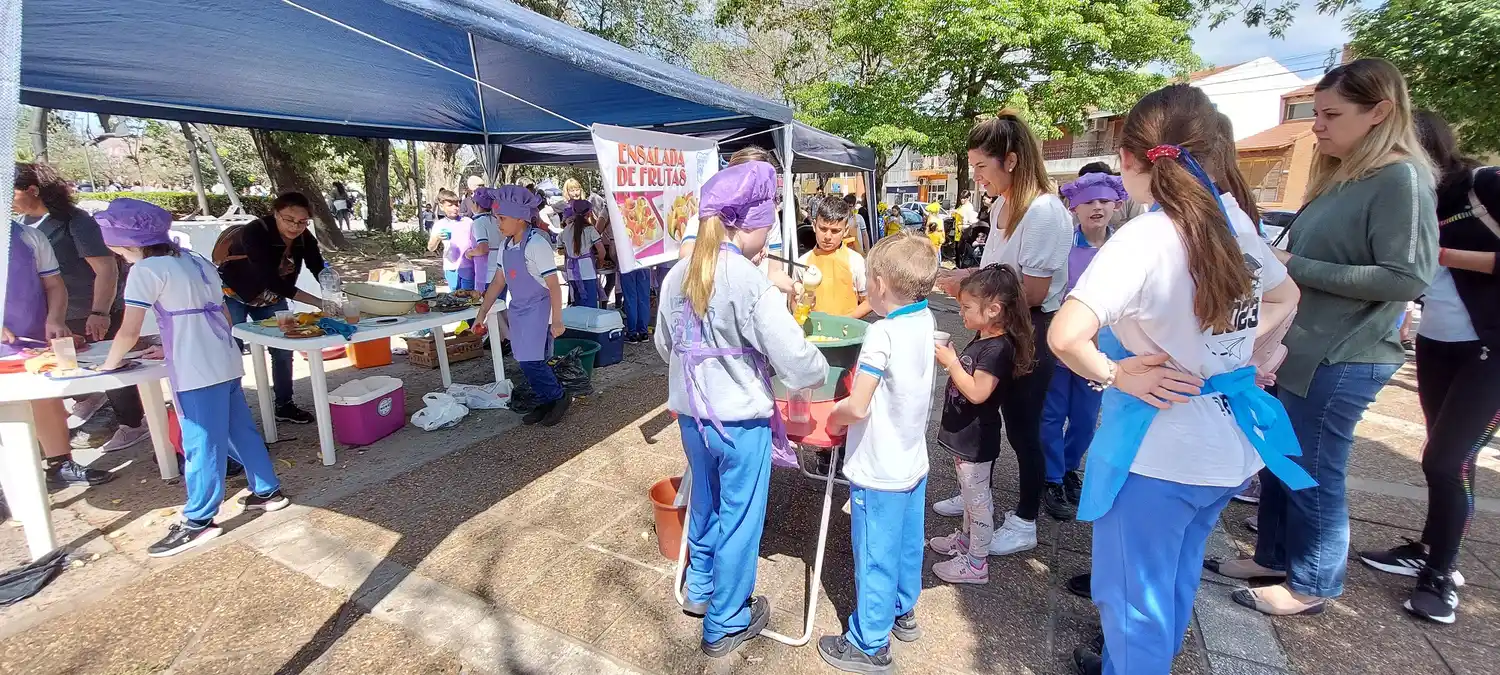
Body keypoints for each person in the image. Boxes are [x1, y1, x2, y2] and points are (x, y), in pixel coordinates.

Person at [1048, 83, 1306, 675]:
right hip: (1229, 445)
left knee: (1133, 598)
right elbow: (1286, 294)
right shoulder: (1234, 221)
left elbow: (1066, 335)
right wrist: (1235, 352)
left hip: (1159, 453)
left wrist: (1116, 373)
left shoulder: (1145, 237)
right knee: (1174, 582)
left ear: (1132, 161)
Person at [1211, 58, 1438, 617]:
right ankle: (1274, 556)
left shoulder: (1400, 178)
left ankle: (1314, 582)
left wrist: (1296, 264)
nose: (1316, 125)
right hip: (1302, 348)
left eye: (1332, 114)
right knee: (1282, 458)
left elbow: (1408, 276)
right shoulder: (1348, 175)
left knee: (1313, 467)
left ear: (1380, 112)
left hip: (1341, 354)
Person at [656, 160, 828, 658]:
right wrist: (817, 372)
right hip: (740, 424)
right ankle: (726, 621)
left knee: (706, 501)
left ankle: (700, 588)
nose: (771, 232)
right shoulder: (752, 283)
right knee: (740, 517)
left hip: (691, 417)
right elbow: (796, 361)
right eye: (770, 222)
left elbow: (667, 347)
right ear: (746, 225)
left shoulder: (676, 276)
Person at [1354, 110, 1498, 624]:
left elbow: (1438, 260)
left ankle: (1441, 573)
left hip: (1490, 348)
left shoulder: (1481, 185)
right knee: (1447, 458)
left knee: (1446, 459)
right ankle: (1431, 545)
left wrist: (1445, 256)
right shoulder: (1411, 196)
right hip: (1437, 342)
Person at [95, 199, 289, 557]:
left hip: (195, 367)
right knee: (239, 430)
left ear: (125, 242)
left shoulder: (146, 271)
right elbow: (215, 314)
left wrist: (108, 365)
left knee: (201, 442)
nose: (117, 254)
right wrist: (171, 346)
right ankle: (268, 491)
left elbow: (128, 331)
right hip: (223, 356)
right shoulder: (194, 259)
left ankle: (199, 520)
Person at [934, 112, 1073, 555]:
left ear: (1010, 161)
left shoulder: (1045, 212)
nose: (976, 178)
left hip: (1028, 329)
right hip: (994, 323)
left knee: (1022, 428)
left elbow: (1030, 291)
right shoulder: (1000, 207)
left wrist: (971, 290)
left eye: (980, 167)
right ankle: (979, 498)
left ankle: (1026, 519)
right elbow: (998, 272)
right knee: (983, 416)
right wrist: (962, 277)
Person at [817, 231, 939, 674]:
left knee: (874, 554)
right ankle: (903, 612)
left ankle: (870, 641)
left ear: (881, 283)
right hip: (913, 461)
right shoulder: (925, 320)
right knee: (907, 545)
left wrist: (834, 418)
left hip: (879, 468)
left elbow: (859, 403)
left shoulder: (881, 333)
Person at [13, 162, 148, 453]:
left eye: (9, 192)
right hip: (56, 313)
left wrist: (99, 311)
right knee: (69, 368)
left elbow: (106, 267)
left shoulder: (75, 221)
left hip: (91, 308)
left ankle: (133, 424)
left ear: (32, 190)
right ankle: (89, 404)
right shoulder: (22, 227)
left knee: (113, 367)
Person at [929, 263, 1034, 585]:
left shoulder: (997, 349)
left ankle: (976, 563)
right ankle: (965, 541)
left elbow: (977, 392)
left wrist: (951, 364)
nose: (960, 312)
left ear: (993, 309)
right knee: (970, 495)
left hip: (976, 440)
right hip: (967, 438)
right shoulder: (986, 338)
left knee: (978, 503)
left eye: (966, 307)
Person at [2, 216, 113, 488]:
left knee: (46, 397)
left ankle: (59, 464)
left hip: (31, 334)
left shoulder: (29, 236)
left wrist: (55, 319)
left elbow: (53, 284)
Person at [1040, 171, 1126, 521]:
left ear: (1117, 205)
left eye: (1104, 200)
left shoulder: (1126, 248)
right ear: (1074, 207)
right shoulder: (1063, 247)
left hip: (1102, 351)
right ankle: (1052, 477)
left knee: (1086, 419)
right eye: (1089, 201)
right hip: (1062, 348)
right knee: (1051, 415)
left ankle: (1070, 466)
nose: (1097, 207)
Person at [217, 192, 329, 425]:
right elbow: (271, 279)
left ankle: (284, 405)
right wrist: (319, 302)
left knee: (283, 348)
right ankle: (231, 410)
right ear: (276, 213)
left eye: (302, 222)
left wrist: (333, 288)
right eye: (289, 219)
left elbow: (318, 266)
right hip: (236, 293)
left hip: (272, 298)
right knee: (231, 349)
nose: (295, 226)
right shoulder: (255, 231)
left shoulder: (304, 237)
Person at [473, 186, 571, 426]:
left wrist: (557, 319)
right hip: (518, 309)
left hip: (539, 309)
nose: (498, 223)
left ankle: (558, 397)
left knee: (532, 360)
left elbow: (554, 285)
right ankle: (546, 399)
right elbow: (498, 281)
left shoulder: (537, 243)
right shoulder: (506, 246)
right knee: (524, 359)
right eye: (497, 218)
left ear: (519, 218)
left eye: (502, 218)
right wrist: (481, 314)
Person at [797, 198, 869, 318]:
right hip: (813, 333)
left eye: (835, 231)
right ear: (814, 226)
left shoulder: (855, 261)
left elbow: (867, 301)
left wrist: (845, 321)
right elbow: (795, 302)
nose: (828, 236)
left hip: (847, 332)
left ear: (845, 231)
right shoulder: (802, 263)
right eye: (823, 229)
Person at [560, 199, 606, 309]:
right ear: (589, 213)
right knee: (590, 307)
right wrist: (600, 262)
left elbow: (561, 250)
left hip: (572, 272)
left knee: (578, 307)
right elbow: (602, 251)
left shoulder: (566, 230)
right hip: (587, 271)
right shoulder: (590, 230)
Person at [426, 189, 476, 291]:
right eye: (450, 205)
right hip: (451, 267)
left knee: (468, 296)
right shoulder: (439, 225)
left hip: (468, 266)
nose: (455, 208)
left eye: (456, 205)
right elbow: (431, 248)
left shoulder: (469, 222)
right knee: (454, 297)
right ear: (441, 206)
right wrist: (436, 238)